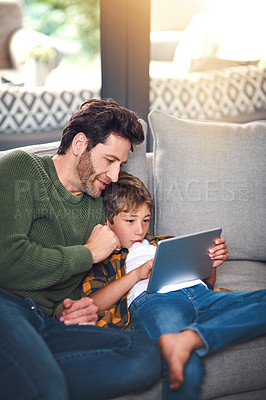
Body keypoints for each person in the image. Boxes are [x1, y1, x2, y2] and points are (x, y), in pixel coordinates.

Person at [0, 99, 162, 400]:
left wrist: (72, 307)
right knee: (47, 385)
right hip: (6, 306)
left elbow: (70, 287)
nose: (114, 176)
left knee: (144, 355)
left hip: (45, 322)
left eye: (121, 165)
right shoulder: (21, 169)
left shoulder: (93, 206)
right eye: (109, 160)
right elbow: (8, 262)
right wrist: (89, 253)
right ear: (79, 144)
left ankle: (29, 373)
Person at [83, 171, 266, 400]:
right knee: (181, 361)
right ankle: (189, 340)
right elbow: (93, 303)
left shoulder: (165, 242)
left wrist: (212, 262)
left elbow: (207, 284)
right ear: (108, 221)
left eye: (146, 220)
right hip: (157, 301)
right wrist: (137, 275)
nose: (140, 230)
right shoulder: (107, 256)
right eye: (130, 220)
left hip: (201, 295)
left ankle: (193, 337)